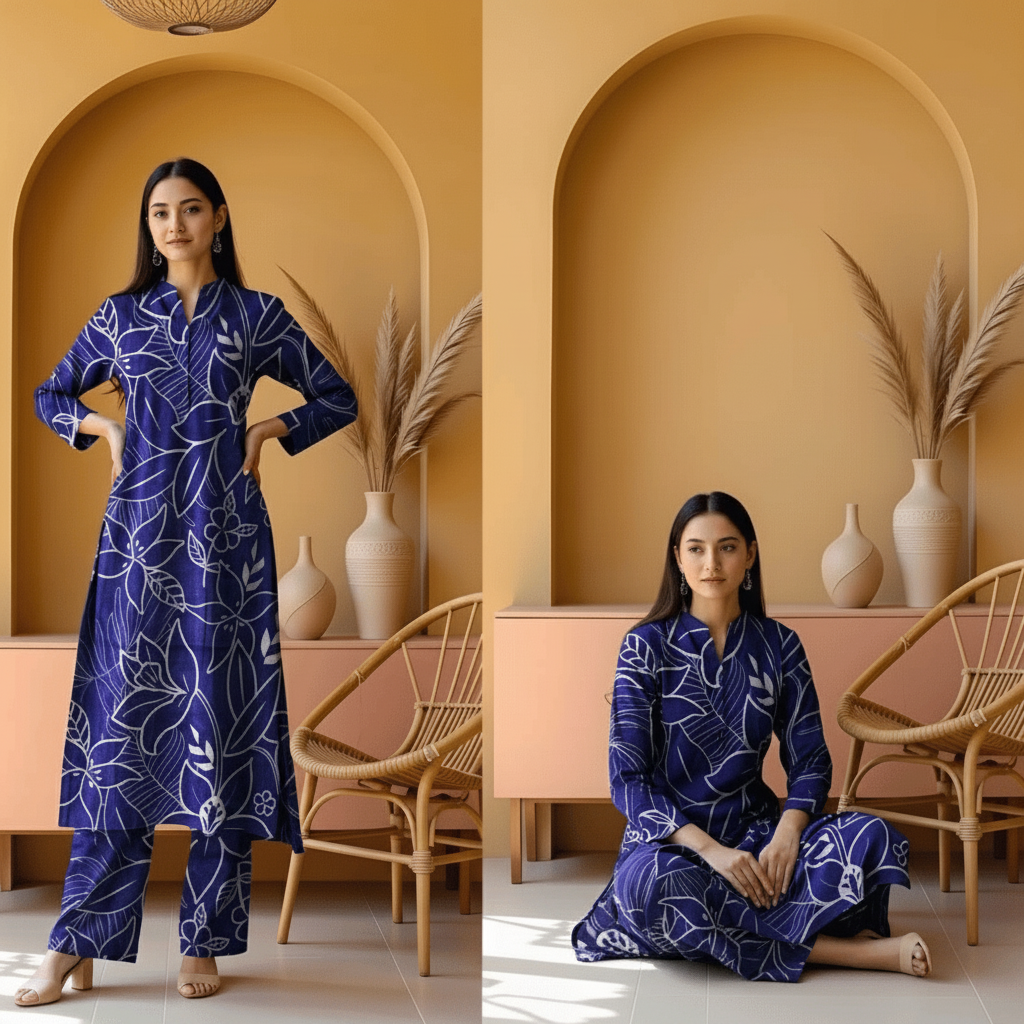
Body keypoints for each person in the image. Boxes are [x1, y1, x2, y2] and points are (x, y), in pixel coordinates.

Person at [16, 158, 357, 1006]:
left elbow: (337, 396)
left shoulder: (255, 315)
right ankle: (77, 943)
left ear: (219, 218)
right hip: (136, 544)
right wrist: (101, 426)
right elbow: (48, 394)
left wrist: (271, 427)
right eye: (160, 212)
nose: (174, 225)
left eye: (190, 209)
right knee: (119, 736)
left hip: (230, 545)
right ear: (150, 224)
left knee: (224, 729)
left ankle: (204, 939)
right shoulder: (121, 318)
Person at [571, 492, 931, 982]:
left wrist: (786, 834)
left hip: (757, 835)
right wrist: (712, 853)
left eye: (727, 547)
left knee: (869, 837)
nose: (711, 563)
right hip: (670, 845)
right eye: (695, 548)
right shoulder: (644, 646)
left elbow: (810, 762)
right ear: (677, 557)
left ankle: (741, 925)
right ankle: (853, 953)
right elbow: (627, 780)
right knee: (656, 888)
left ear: (750, 555)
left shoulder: (780, 646)